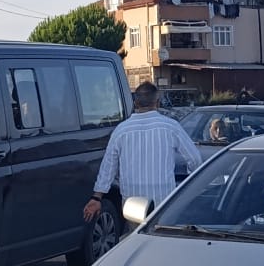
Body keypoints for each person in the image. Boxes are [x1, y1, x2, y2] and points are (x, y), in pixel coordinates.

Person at [86, 81, 203, 223]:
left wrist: (97, 197)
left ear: (136, 103)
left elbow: (108, 166)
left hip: (132, 204)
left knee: (137, 240)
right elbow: (195, 159)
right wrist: (190, 188)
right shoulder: (170, 126)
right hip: (163, 201)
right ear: (157, 102)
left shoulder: (121, 130)